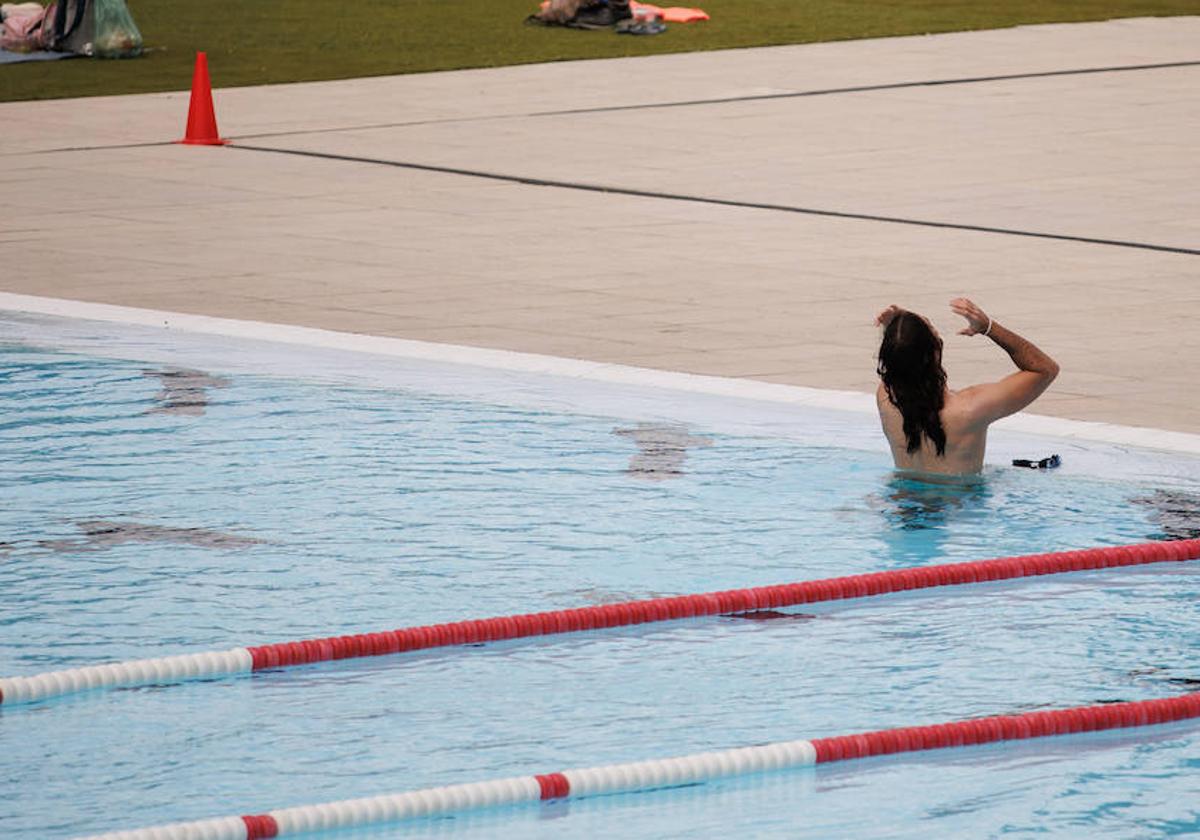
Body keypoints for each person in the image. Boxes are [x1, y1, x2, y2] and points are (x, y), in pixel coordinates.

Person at [874, 298, 1059, 477]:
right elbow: (1045, 369)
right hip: (958, 505)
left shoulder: (885, 397)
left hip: (901, 503)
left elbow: (901, 359)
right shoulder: (970, 410)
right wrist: (988, 327)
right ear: (936, 351)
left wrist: (897, 327)